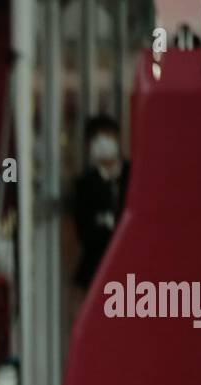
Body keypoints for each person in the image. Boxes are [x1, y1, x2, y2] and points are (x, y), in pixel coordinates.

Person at [72, 114, 131, 292]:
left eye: (107, 136)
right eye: (96, 139)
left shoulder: (134, 175)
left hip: (132, 264)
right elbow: (84, 231)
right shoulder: (85, 184)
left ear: (118, 139)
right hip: (96, 269)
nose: (102, 143)